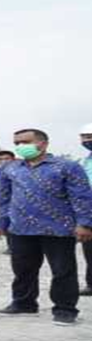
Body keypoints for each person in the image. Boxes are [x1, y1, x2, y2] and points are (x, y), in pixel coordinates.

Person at [0, 128, 92, 326]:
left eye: (25, 142)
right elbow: (4, 197)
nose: (21, 146)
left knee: (63, 271)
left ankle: (65, 310)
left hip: (58, 228)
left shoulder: (67, 166)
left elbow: (81, 197)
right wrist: (2, 221)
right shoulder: (10, 168)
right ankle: (24, 303)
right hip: (20, 227)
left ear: (43, 143)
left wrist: (85, 223)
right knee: (22, 269)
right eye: (17, 143)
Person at [79, 124, 92, 296]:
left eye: (90, 136)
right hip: (89, 210)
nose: (87, 140)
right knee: (89, 250)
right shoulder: (85, 161)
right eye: (84, 137)